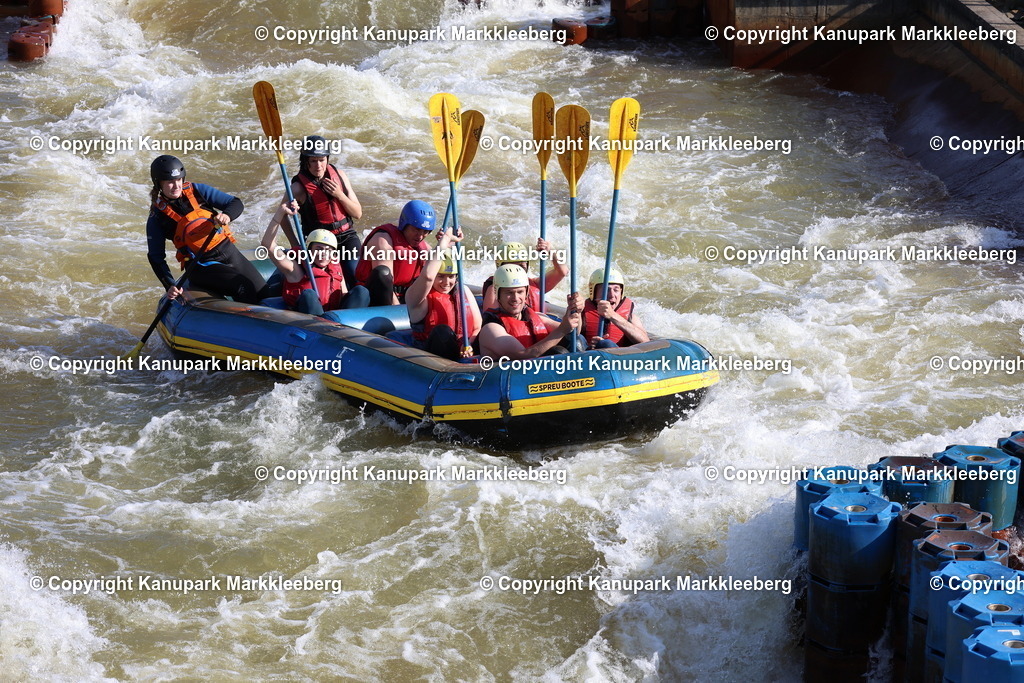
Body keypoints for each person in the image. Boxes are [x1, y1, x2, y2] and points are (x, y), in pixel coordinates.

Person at [146, 154, 269, 303]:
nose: (176, 185)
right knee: (242, 286)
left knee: (264, 293)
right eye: (170, 182)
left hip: (227, 251)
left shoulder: (197, 191)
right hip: (200, 264)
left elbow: (236, 203)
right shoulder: (157, 216)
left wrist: (227, 215)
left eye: (178, 180)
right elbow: (156, 257)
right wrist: (169, 284)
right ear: (158, 183)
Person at [261, 201, 369, 315]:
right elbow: (268, 244)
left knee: (361, 292)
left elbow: (343, 295)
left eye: (328, 250)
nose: (323, 253)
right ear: (309, 250)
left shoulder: (335, 267)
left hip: (335, 322)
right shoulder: (295, 269)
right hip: (309, 321)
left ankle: (346, 328)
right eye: (318, 248)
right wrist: (280, 213)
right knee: (309, 294)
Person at [288, 135, 362, 288]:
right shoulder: (298, 188)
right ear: (305, 161)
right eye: (313, 161)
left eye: (322, 160)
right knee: (324, 283)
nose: (318, 166)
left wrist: (339, 195)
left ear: (327, 158)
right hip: (320, 242)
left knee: (356, 276)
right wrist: (295, 244)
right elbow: (282, 215)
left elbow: (357, 213)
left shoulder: (339, 175)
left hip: (346, 236)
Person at [405, 226, 481, 360]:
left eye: (451, 276)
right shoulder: (417, 297)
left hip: (464, 353)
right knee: (442, 332)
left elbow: (477, 327)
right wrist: (444, 241)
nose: (446, 282)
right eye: (440, 276)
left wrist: (469, 345)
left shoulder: (463, 291)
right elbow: (427, 276)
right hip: (433, 359)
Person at [478, 264, 581, 360]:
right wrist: (562, 330)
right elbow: (523, 355)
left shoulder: (532, 316)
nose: (515, 298)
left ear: (526, 293)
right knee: (558, 353)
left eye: (520, 292)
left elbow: (574, 331)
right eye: (509, 293)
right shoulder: (491, 328)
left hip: (535, 375)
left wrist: (576, 310)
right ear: (497, 294)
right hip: (507, 377)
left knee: (576, 342)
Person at [354, 200, 435, 306]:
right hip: (374, 297)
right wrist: (400, 312)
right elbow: (383, 283)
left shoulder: (424, 248)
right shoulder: (383, 240)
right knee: (383, 273)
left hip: (404, 297)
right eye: (416, 229)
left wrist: (445, 242)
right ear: (404, 224)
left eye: (425, 232)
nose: (420, 236)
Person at [480, 238, 567, 312]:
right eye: (512, 265)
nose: (517, 269)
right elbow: (491, 319)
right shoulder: (494, 289)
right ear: (500, 265)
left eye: (521, 266)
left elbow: (562, 271)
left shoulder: (535, 284)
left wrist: (551, 251)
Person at [580, 268, 649, 348]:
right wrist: (589, 347)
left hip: (617, 357)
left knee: (606, 344)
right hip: (589, 357)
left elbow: (646, 342)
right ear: (594, 293)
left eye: (616, 290)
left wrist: (612, 315)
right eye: (606, 290)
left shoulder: (631, 317)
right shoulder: (583, 313)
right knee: (578, 340)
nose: (612, 295)